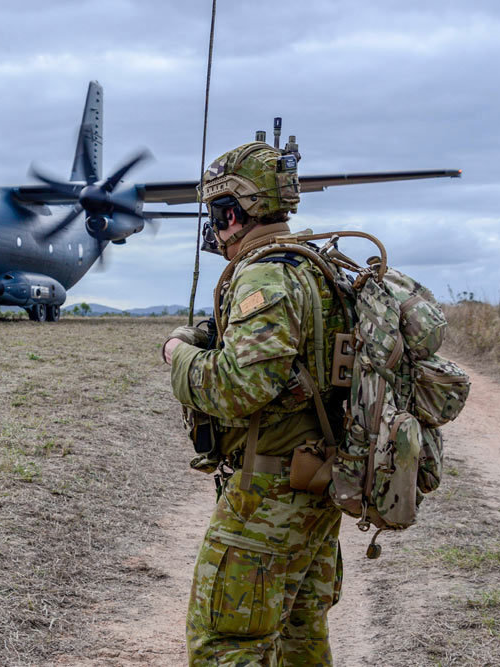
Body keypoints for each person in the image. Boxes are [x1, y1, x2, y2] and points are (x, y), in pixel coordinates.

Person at [163, 141, 346, 666]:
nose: (214, 230)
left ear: (231, 212)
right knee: (299, 637)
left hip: (268, 493)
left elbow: (237, 390)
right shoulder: (314, 266)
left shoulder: (265, 274)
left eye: (216, 215)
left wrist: (178, 355)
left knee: (226, 645)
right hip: (317, 486)